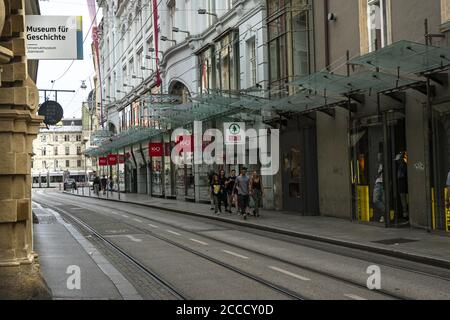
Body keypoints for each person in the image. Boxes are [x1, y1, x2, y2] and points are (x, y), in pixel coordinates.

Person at [373, 153, 385, 223]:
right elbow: (376, 175)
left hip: (384, 184)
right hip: (378, 183)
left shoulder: (385, 165)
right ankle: (385, 211)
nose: (379, 158)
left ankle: (383, 216)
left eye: (380, 156)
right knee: (375, 200)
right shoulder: (377, 165)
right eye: (378, 157)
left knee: (384, 200)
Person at [396, 151, 408, 219]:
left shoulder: (402, 165)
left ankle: (405, 215)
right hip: (403, 185)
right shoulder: (403, 165)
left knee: (404, 201)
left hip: (403, 185)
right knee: (404, 201)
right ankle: (405, 215)